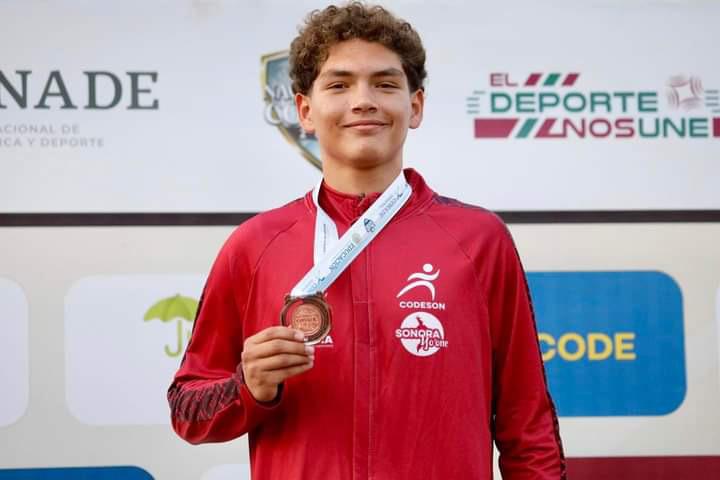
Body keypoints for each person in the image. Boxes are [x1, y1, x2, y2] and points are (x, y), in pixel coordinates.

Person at [168, 2, 566, 479]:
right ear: (305, 111)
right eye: (339, 85)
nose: (363, 101)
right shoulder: (255, 246)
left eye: (385, 84)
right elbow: (188, 411)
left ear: (415, 106)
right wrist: (247, 386)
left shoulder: (479, 241)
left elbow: (529, 426)